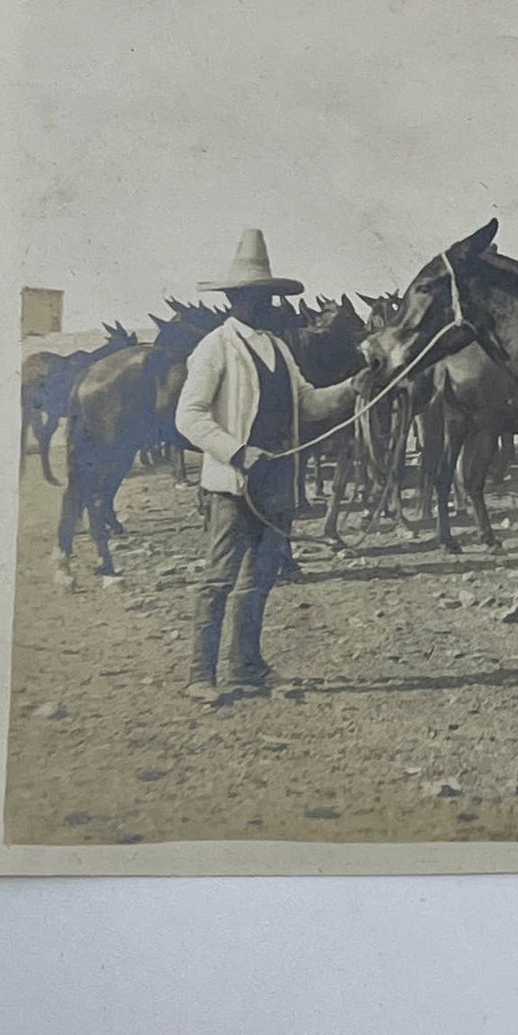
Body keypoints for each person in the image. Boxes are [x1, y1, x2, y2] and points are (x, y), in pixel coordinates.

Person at [175, 229, 362, 702]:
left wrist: (352, 388)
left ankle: (246, 669)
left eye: (272, 297)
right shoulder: (215, 347)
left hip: (278, 481)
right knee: (218, 579)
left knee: (259, 579)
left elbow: (309, 403)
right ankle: (200, 675)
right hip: (234, 483)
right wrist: (238, 451)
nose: (269, 305)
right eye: (260, 297)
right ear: (235, 300)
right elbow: (188, 416)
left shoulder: (279, 349)